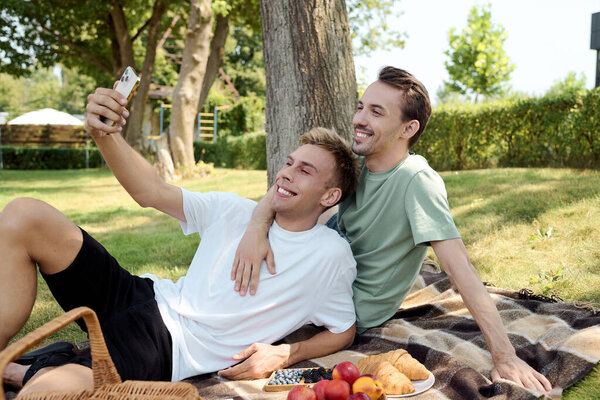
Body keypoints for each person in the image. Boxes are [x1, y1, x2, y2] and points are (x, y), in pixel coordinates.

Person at [0, 85, 360, 396]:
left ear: (329, 197)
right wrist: (104, 134)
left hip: (168, 348)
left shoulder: (329, 256)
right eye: (289, 162)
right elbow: (151, 191)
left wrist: (287, 354)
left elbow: (343, 331)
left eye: (305, 170)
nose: (286, 173)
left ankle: (36, 373)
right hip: (140, 295)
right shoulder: (234, 210)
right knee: (24, 214)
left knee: (43, 396)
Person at [229, 66, 553, 393]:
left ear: (407, 128)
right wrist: (256, 228)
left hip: (331, 314)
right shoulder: (358, 166)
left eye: (376, 112)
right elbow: (285, 188)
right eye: (360, 107)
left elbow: (461, 270)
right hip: (306, 282)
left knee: (219, 334)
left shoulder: (416, 181)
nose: (359, 119)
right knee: (228, 237)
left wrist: (505, 355)